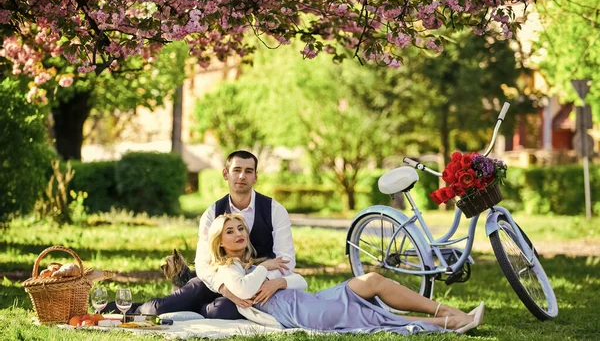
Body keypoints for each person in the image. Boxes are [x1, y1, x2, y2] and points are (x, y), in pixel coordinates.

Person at [209, 213, 485, 335]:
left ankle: (445, 311)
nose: (237, 234)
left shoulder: (254, 265)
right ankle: (453, 322)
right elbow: (244, 291)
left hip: (311, 298)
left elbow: (300, 281)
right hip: (303, 313)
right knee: (379, 317)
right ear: (220, 242)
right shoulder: (228, 267)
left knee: (373, 280)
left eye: (240, 229)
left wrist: (279, 280)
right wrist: (265, 269)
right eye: (229, 232)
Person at [127, 150, 296, 319]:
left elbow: (286, 259)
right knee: (156, 310)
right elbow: (202, 263)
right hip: (216, 282)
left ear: (255, 177)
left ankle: (197, 310)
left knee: (222, 312)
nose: (242, 176)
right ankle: (123, 309)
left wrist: (263, 283)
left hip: (258, 287)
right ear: (226, 173)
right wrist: (224, 289)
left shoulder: (275, 210)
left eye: (248, 171)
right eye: (237, 170)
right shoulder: (212, 212)